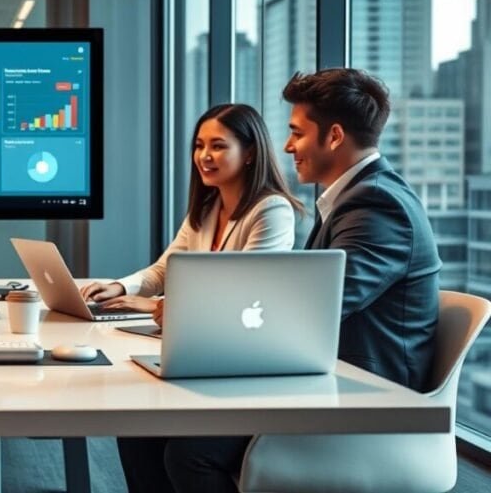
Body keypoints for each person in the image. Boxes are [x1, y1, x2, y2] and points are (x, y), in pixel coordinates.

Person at [151, 68, 441, 493]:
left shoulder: (378, 206)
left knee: (188, 450)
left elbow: (309, 313)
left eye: (297, 133)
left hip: (365, 396)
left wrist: (195, 323)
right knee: (149, 427)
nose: (287, 146)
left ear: (335, 136)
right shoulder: (352, 199)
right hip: (318, 377)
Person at [81, 103, 302, 318]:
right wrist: (119, 287)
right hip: (199, 331)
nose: (204, 156)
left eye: (218, 146)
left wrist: (157, 304)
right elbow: (164, 271)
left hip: (237, 336)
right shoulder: (207, 209)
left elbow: (243, 290)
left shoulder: (272, 210)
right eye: (199, 145)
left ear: (250, 154)